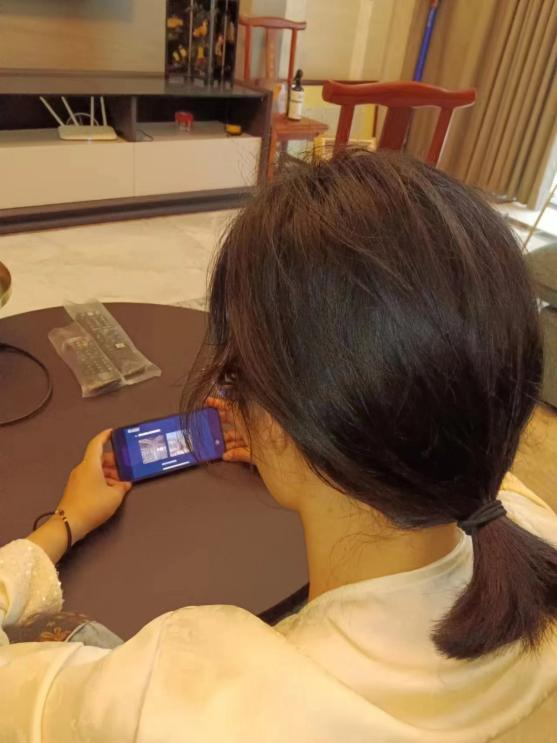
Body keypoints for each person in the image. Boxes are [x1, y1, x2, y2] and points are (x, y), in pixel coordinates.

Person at [1, 150, 557, 741]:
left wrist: (60, 526)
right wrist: (302, 441)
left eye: (235, 375)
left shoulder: (185, 696)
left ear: (287, 417)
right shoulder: (535, 524)